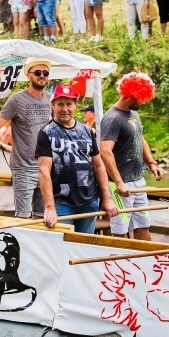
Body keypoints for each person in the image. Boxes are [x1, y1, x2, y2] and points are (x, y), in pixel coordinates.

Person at [37, 85, 118, 234]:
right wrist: (49, 207)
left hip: (89, 200)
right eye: (60, 104)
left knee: (84, 243)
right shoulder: (46, 133)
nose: (65, 109)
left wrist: (106, 198)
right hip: (62, 202)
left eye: (69, 104)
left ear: (75, 105)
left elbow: (99, 166)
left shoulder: (87, 131)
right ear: (53, 105)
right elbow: (44, 171)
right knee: (63, 244)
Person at [100, 72, 164, 241]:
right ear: (133, 95)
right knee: (120, 229)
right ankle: (118, 265)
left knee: (143, 225)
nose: (143, 103)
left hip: (138, 181)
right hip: (119, 186)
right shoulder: (112, 118)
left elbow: (140, 139)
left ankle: (146, 262)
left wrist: (151, 163)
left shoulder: (133, 114)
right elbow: (105, 151)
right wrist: (119, 183)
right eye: (142, 99)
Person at [0, 58, 52, 219]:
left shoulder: (52, 99)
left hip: (46, 167)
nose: (42, 76)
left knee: (42, 216)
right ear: (29, 76)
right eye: (38, 72)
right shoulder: (16, 100)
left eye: (45, 73)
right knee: (23, 216)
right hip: (24, 167)